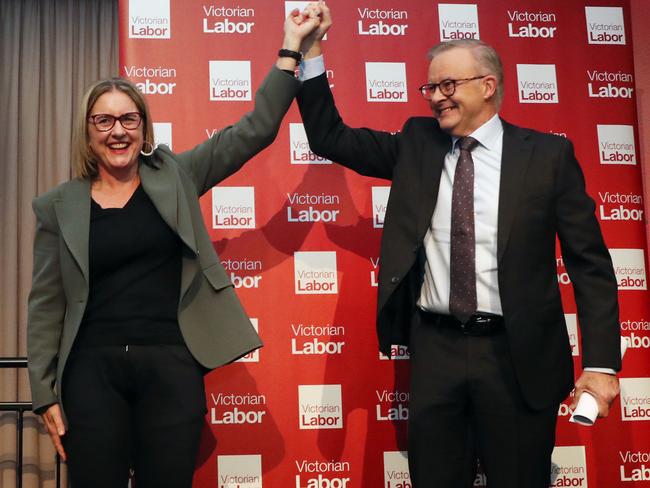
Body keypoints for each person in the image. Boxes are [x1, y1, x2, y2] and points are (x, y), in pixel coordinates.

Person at [296, 4, 621, 487]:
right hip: (437, 350)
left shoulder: (548, 157)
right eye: (431, 88)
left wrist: (601, 365)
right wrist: (311, 51)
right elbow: (329, 137)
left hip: (517, 355)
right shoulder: (416, 144)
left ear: (487, 86)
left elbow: (590, 266)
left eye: (448, 86)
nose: (436, 99)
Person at [26, 9, 321, 488]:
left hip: (170, 365)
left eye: (128, 118)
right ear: (87, 130)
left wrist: (291, 46)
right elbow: (45, 304)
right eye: (104, 120)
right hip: (90, 371)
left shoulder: (177, 176)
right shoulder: (58, 206)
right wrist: (44, 393)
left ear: (143, 127)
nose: (117, 130)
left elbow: (253, 131)